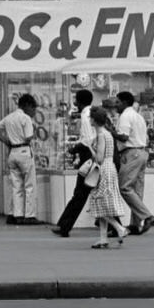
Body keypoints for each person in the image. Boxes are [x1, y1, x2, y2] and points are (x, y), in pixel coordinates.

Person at [51, 89, 96, 237]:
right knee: (98, 192)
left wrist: (74, 148)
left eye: (76, 99)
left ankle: (65, 225)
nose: (74, 102)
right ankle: (116, 227)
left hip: (88, 157)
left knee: (80, 194)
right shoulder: (92, 113)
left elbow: (88, 140)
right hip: (94, 156)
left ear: (79, 101)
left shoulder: (85, 116)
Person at [0, 93, 39, 225]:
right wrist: (34, 131)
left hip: (12, 152)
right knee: (29, 185)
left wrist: (6, 140)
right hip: (24, 151)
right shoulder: (25, 118)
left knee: (16, 185)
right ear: (27, 106)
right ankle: (30, 215)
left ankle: (16, 215)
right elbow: (28, 137)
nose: (34, 111)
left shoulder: (9, 117)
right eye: (33, 108)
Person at [114, 91, 154, 235]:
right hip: (142, 152)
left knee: (124, 187)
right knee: (137, 190)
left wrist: (110, 131)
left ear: (125, 102)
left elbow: (124, 137)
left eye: (118, 102)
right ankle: (135, 224)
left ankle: (147, 217)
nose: (116, 105)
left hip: (131, 153)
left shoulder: (125, 116)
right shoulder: (138, 116)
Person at [85, 106, 127, 249]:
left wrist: (89, 147)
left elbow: (99, 158)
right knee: (102, 203)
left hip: (103, 169)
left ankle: (119, 228)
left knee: (99, 202)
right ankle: (103, 238)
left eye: (91, 118)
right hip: (110, 168)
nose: (89, 120)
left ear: (94, 120)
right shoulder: (107, 133)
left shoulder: (101, 135)